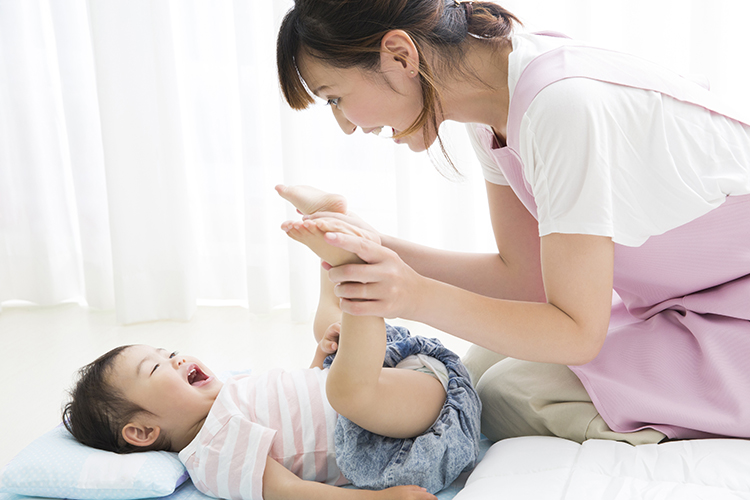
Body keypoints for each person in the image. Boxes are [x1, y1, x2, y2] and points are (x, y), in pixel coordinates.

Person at [275, 0, 750, 444]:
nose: (346, 124)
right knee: (475, 369)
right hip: (698, 303)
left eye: (335, 98)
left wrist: (414, 295)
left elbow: (577, 334)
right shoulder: (496, 108)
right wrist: (372, 244)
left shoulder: (562, 106)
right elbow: (523, 277)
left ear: (399, 55)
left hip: (732, 314)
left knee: (505, 393)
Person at [62, 186, 482, 500]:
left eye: (167, 352)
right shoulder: (210, 456)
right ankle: (352, 267)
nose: (175, 359)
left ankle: (334, 227)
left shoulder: (233, 393)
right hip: (411, 428)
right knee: (348, 391)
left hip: (398, 378)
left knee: (327, 331)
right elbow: (291, 491)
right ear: (142, 432)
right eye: (155, 368)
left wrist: (322, 356)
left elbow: (303, 399)